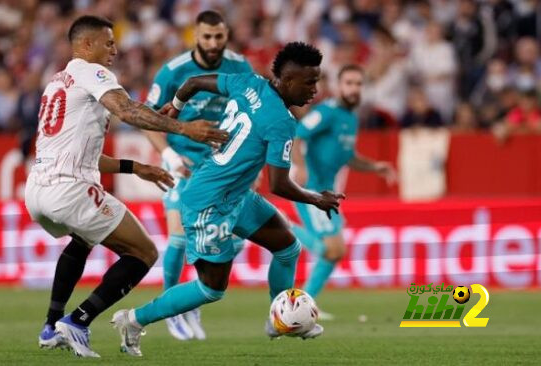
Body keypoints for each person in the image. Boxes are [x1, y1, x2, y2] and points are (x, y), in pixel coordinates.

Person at [110, 42, 345, 357]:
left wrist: (176, 107)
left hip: (235, 194)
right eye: (310, 82)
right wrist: (317, 199)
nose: (315, 90)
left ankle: (280, 319)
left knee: (288, 246)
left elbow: (193, 83)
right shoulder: (282, 122)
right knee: (211, 289)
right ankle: (134, 320)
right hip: (208, 203)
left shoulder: (250, 83)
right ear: (288, 81)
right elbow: (278, 184)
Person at [25, 15, 227, 358]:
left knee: (83, 238)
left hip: (38, 191)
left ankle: (51, 326)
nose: (114, 50)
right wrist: (186, 129)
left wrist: (137, 168)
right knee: (144, 252)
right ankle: (78, 321)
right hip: (70, 190)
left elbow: (83, 155)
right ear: (86, 45)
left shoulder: (56, 83)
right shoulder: (92, 72)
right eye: (108, 42)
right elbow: (129, 111)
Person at [143, 10, 253, 341]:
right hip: (184, 164)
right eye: (207, 37)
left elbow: (254, 113)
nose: (213, 43)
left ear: (226, 35)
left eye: (219, 36)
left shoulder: (240, 67)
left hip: (224, 166)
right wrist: (168, 154)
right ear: (196, 36)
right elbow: (146, 118)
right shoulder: (174, 72)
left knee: (237, 237)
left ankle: (192, 298)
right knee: (178, 236)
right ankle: (170, 310)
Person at [292, 65, 397, 319]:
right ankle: (285, 227)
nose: (354, 88)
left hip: (326, 194)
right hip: (310, 190)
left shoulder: (351, 119)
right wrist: (301, 166)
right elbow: (297, 134)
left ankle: (304, 305)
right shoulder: (327, 112)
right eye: (349, 83)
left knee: (336, 251)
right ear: (339, 86)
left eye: (359, 84)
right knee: (331, 249)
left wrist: (375, 167)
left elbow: (348, 157)